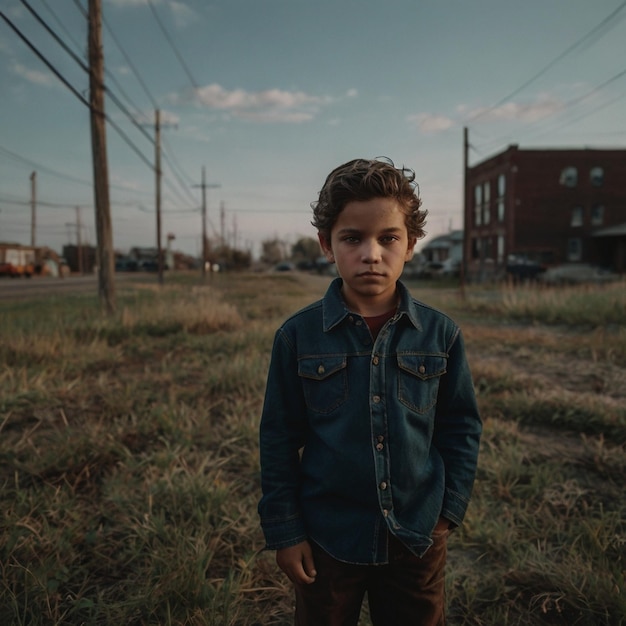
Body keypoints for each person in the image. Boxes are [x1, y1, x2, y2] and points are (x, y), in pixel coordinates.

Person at [258, 158, 482, 625]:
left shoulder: (441, 335)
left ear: (412, 244)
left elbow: (461, 426)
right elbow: (278, 439)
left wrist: (447, 514)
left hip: (417, 537)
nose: (371, 253)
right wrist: (285, 532)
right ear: (327, 244)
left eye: (388, 238)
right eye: (352, 238)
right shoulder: (297, 338)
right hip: (327, 540)